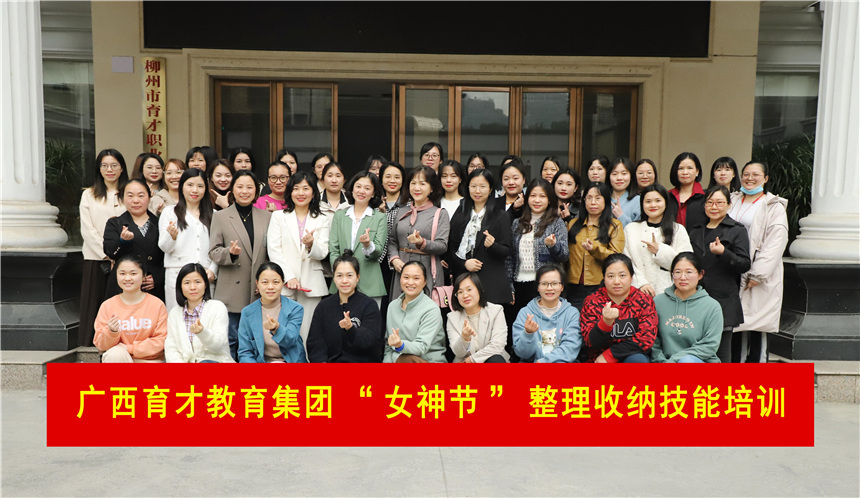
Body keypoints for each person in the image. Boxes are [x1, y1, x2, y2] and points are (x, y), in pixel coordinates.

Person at [209, 170, 272, 361]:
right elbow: (213, 251)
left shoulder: (267, 217)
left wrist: (265, 281)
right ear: (232, 190)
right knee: (231, 340)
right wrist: (230, 253)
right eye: (240, 187)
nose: (245, 191)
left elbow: (270, 253)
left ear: (256, 191)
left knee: (256, 342)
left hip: (257, 289)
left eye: (249, 187)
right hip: (231, 290)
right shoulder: (221, 217)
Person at [730, 161, 789, 363]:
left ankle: (757, 373)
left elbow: (776, 242)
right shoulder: (732, 200)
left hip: (757, 273)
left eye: (755, 174)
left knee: (758, 326)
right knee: (736, 326)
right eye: (746, 174)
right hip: (732, 269)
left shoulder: (773, 206)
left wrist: (758, 273)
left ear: (765, 179)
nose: (749, 178)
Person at [267, 171, 331, 350]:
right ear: (290, 192)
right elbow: (274, 249)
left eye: (305, 188)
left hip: (312, 283)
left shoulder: (322, 219)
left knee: (309, 331)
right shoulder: (278, 216)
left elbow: (323, 252)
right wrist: (288, 276)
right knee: (284, 330)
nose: (300, 193)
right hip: (285, 284)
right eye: (296, 188)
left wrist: (311, 245)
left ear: (313, 193)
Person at [689, 186, 751, 364]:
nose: (714, 207)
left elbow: (744, 264)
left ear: (729, 205)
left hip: (723, 299)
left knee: (722, 352)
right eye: (710, 202)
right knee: (695, 349)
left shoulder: (737, 230)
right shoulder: (695, 230)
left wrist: (724, 253)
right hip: (696, 298)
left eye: (719, 202)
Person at [79, 148, 129, 346]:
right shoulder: (89, 195)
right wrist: (108, 254)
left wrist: (119, 254)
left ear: (122, 168)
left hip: (124, 259)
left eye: (114, 165)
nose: (110, 170)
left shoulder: (128, 193)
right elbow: (87, 229)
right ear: (99, 169)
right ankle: (92, 345)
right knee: (95, 302)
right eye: (105, 165)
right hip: (96, 258)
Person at [507, 178, 569, 325]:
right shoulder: (517, 223)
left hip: (543, 285)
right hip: (519, 284)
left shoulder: (556, 223)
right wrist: (510, 286)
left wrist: (553, 246)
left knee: (542, 327)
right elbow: (509, 258)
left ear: (549, 200)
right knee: (520, 325)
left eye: (542, 196)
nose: (537, 200)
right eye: (533, 195)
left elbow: (564, 255)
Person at [447, 169, 512, 305]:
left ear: (490, 189)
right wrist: (464, 263)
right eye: (473, 186)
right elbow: (451, 249)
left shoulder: (501, 216)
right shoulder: (460, 216)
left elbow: (507, 251)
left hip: (492, 285)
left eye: (482, 186)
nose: (477, 191)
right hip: (465, 283)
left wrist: (493, 245)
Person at [307, 250, 384, 362]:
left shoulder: (369, 305)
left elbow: (372, 342)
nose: (344, 281)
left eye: (349, 275)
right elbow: (315, 342)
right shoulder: (324, 306)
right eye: (339, 275)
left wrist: (351, 329)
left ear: (357, 277)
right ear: (334, 278)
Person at [579, 254, 658, 363]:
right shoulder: (593, 302)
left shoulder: (643, 300)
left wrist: (610, 355)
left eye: (622, 276)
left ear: (631, 277)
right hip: (598, 359)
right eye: (611, 276)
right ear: (604, 278)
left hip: (632, 356)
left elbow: (646, 338)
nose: (616, 281)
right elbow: (589, 342)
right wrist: (605, 323)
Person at [158, 168, 217, 312]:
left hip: (204, 275)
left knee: (205, 317)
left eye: (200, 186)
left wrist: (213, 270)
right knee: (177, 315)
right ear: (182, 187)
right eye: (190, 185)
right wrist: (172, 237)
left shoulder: (214, 215)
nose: (195, 190)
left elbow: (218, 247)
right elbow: (164, 247)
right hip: (177, 273)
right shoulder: (169, 212)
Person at [386, 166, 449, 299]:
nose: (417, 188)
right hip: (402, 269)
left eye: (422, 184)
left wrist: (422, 242)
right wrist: (394, 259)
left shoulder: (440, 213)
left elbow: (442, 246)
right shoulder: (401, 211)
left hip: (427, 270)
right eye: (413, 183)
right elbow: (392, 241)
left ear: (432, 188)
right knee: (400, 307)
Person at [93, 254, 168, 363]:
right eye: (122, 273)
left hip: (149, 361)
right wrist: (111, 332)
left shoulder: (157, 305)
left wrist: (130, 348)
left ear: (144, 276)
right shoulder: (107, 306)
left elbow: (161, 340)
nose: (127, 278)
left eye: (133, 273)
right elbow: (100, 345)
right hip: (119, 360)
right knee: (115, 354)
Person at [328, 170, 388, 306]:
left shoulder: (379, 217)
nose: (361, 191)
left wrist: (368, 245)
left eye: (367, 188)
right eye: (358, 186)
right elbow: (333, 249)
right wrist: (339, 272)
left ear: (373, 193)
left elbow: (378, 251)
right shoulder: (340, 216)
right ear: (352, 189)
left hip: (370, 282)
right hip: (342, 282)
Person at [623, 184, 692, 298]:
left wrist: (660, 251)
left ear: (666, 202)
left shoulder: (678, 230)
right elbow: (626, 262)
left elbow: (686, 264)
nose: (653, 205)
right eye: (648, 201)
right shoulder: (631, 229)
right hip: (637, 294)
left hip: (669, 293)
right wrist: (641, 283)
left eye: (658, 201)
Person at [652, 252, 723, 363]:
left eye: (689, 272)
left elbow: (709, 345)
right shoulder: (658, 302)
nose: (683, 277)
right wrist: (661, 362)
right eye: (678, 272)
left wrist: (673, 361)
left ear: (700, 274)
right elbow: (652, 340)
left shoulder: (712, 307)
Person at [566, 182, 626, 310]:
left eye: (598, 198)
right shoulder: (572, 224)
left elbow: (616, 258)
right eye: (589, 198)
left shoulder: (614, 225)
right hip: (572, 286)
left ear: (606, 201)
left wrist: (594, 249)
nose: (593, 202)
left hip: (600, 285)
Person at [103, 178, 165, 302]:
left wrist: (158, 277)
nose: (135, 200)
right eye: (130, 196)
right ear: (123, 198)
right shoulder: (115, 223)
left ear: (149, 197)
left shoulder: (160, 223)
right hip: (123, 286)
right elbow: (110, 251)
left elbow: (169, 256)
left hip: (151, 285)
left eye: (141, 195)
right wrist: (123, 242)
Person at [237, 262, 306, 363]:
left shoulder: (295, 308)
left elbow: (290, 341)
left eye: (276, 282)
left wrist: (276, 329)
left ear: (283, 283)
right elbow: (245, 352)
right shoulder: (247, 312)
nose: (270, 287)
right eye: (265, 282)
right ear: (257, 283)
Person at [165, 263, 233, 363]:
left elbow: (219, 346)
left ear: (205, 284)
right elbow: (171, 349)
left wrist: (202, 332)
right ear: (180, 286)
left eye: (197, 282)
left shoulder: (217, 307)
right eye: (187, 283)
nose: (192, 287)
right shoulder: (174, 313)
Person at [512, 264, 581, 363]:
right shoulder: (525, 313)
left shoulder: (571, 313)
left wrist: (544, 362)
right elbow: (522, 353)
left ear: (562, 287)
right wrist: (528, 334)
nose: (549, 288)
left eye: (554, 283)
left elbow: (570, 349)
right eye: (544, 284)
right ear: (537, 287)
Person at [384, 261, 446, 363]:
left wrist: (400, 345)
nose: (410, 282)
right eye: (406, 277)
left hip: (428, 361)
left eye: (416, 278)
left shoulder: (431, 309)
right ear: (400, 279)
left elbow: (422, 347)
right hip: (398, 360)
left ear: (425, 282)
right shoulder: (392, 306)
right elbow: (388, 345)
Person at [446, 273, 510, 363]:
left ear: (480, 290)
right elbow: (458, 353)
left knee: (496, 360)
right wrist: (464, 338)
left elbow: (498, 345)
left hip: (490, 360)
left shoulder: (496, 311)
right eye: (460, 292)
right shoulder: (452, 318)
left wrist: (472, 359)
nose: (465, 295)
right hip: (464, 362)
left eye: (469, 289)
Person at [667, 151, 707, 229]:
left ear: (697, 171)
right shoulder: (667, 197)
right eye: (680, 168)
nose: (685, 172)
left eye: (690, 168)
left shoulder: (706, 197)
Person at [608, 157, 641, 227]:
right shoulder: (602, 199)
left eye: (624, 173)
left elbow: (639, 230)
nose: (619, 178)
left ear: (631, 176)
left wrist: (621, 216)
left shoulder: (638, 201)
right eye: (614, 174)